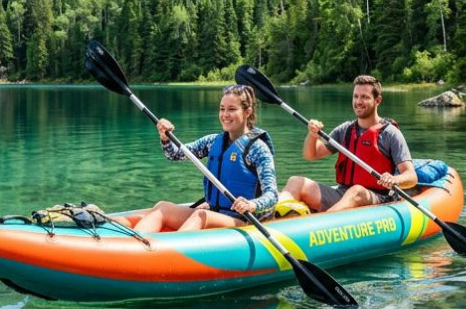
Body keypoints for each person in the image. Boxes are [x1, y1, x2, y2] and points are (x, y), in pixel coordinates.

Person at [133, 84, 278, 233]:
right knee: (163, 207)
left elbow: (272, 195)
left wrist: (251, 204)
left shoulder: (258, 149)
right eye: (222, 109)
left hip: (244, 222)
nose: (225, 114)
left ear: (247, 112)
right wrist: (165, 138)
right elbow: (175, 154)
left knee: (201, 215)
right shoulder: (212, 141)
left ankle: (172, 252)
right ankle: (134, 246)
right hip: (215, 213)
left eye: (232, 109)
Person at [275, 74, 416, 214]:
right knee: (296, 182)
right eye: (356, 96)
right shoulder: (346, 130)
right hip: (343, 193)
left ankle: (320, 223)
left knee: (357, 191)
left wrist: (394, 179)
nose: (358, 101)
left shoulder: (390, 134)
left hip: (378, 198)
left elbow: (411, 176)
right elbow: (311, 154)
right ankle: (272, 218)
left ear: (377, 100)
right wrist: (312, 136)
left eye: (365, 97)